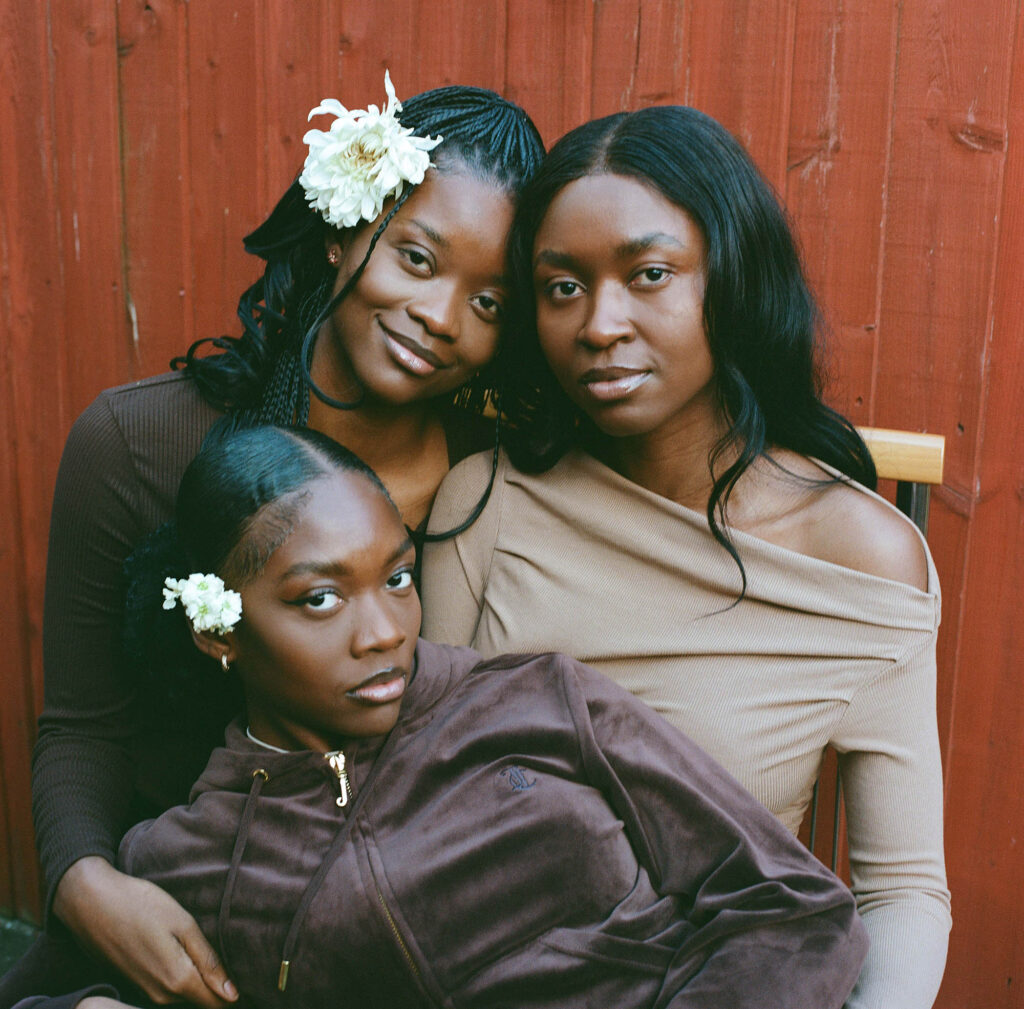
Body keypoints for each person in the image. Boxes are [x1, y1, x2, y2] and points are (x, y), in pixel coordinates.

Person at [11, 424, 867, 1009]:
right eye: (318, 598)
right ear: (219, 631)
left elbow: (789, 902)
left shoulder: (539, 700)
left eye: (396, 576)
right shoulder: (187, 858)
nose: (384, 631)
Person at [23, 73, 544, 1008]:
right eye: (418, 259)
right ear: (344, 228)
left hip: (388, 933)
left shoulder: (494, 486)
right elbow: (82, 723)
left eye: (491, 302)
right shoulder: (137, 443)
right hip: (171, 914)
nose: (442, 316)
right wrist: (85, 885)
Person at [421, 106, 951, 1009]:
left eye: (650, 273)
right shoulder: (488, 501)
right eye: (562, 287)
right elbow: (412, 802)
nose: (599, 324)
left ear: (732, 280)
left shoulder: (863, 554)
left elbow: (904, 892)